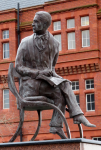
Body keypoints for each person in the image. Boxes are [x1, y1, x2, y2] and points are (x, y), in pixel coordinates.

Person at [15, 11, 95, 139]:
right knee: (65, 86)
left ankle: (56, 126)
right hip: (30, 87)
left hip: (45, 84)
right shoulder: (25, 42)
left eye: (36, 22)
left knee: (62, 90)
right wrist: (38, 72)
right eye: (33, 21)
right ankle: (77, 115)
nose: (32, 24)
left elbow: (52, 68)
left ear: (45, 24)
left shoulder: (54, 44)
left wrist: (54, 75)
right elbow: (18, 67)